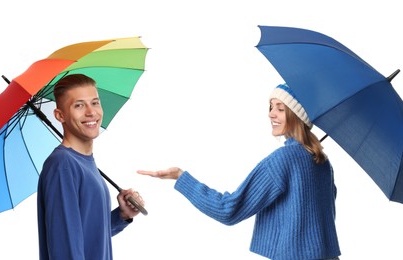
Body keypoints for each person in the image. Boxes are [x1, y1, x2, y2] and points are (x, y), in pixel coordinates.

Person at [138, 84, 340, 260]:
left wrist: (181, 177)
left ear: (297, 116)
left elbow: (228, 210)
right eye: (271, 107)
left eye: (280, 109)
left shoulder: (283, 159)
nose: (271, 114)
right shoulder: (322, 161)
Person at [37, 74, 146, 260]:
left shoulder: (85, 163)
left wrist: (122, 215)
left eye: (95, 103)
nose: (91, 112)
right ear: (59, 115)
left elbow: (89, 235)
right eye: (79, 105)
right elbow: (65, 248)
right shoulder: (62, 165)